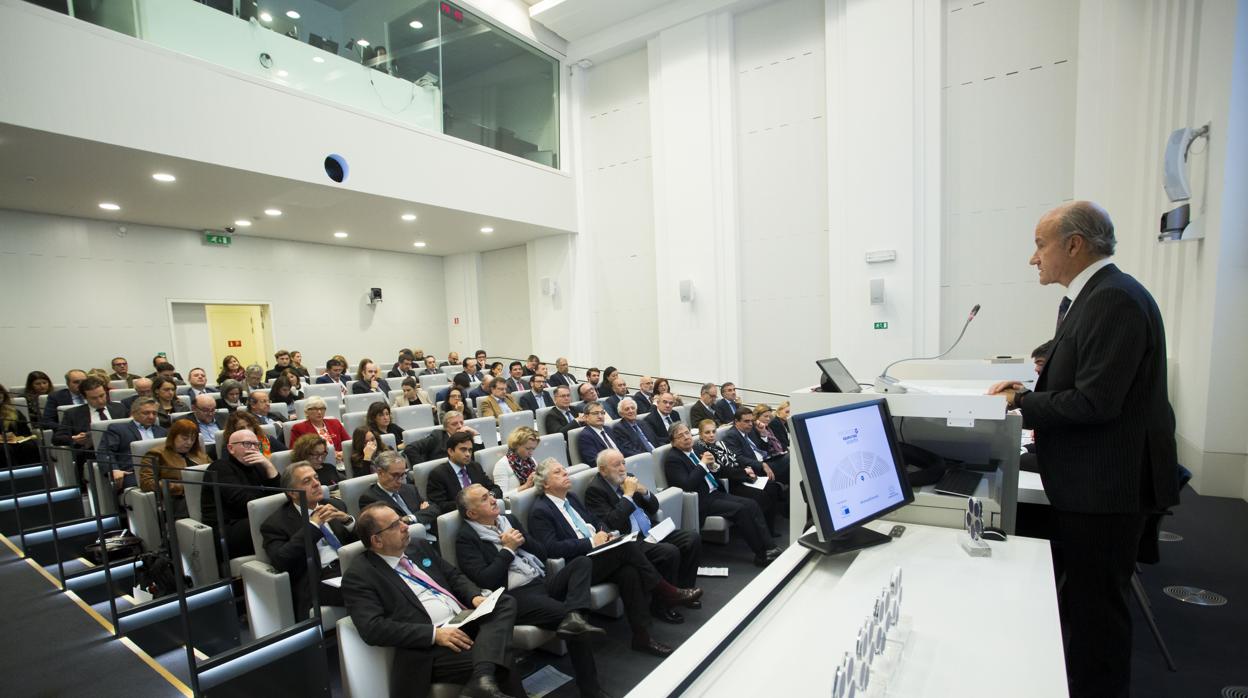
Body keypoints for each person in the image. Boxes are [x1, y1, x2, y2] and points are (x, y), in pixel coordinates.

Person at [987, 201, 1179, 698]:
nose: (1034, 258)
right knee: (1084, 608)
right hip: (1090, 483)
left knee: (1097, 620)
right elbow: (1085, 373)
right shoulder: (1092, 296)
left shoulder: (1112, 299)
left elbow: (1096, 401)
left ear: (1074, 245)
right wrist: (1032, 388)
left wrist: (1023, 403)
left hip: (1105, 488)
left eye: (1039, 244)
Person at [341, 503, 525, 698]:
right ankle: (483, 676)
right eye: (395, 525)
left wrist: (474, 596)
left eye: (402, 520)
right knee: (500, 659)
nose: (405, 526)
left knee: (504, 602)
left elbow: (453, 576)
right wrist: (434, 634)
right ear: (377, 540)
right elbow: (373, 628)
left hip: (464, 620)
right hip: (430, 647)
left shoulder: (417, 546)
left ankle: (482, 677)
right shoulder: (360, 575)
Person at [528, 459, 699, 656]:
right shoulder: (540, 511)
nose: (565, 473)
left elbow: (596, 521)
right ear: (546, 484)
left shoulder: (571, 499)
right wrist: (592, 542)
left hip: (600, 553)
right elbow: (551, 549)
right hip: (578, 567)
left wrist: (606, 533)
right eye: (558, 472)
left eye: (564, 470)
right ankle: (668, 591)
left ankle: (642, 636)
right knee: (627, 549)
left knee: (629, 572)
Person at [454, 484, 607, 698]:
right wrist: (508, 550)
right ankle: (591, 691)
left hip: (539, 580)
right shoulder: (466, 538)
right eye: (483, 499)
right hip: (514, 596)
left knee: (581, 563)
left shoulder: (509, 520)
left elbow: (542, 553)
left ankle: (575, 614)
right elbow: (486, 579)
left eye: (490, 494)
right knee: (573, 623)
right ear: (472, 513)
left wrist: (522, 540)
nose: (492, 499)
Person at [585, 449, 702, 606]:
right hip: (631, 539)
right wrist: (628, 495)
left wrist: (644, 491)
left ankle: (685, 590)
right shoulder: (595, 490)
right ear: (603, 470)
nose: (622, 469)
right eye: (616, 465)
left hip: (650, 529)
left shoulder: (629, 477)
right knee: (669, 552)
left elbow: (653, 508)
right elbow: (612, 523)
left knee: (692, 539)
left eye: (623, 463)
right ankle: (663, 605)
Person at [666, 422, 781, 567]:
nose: (686, 437)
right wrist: (702, 465)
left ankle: (770, 546)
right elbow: (687, 484)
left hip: (715, 492)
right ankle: (761, 554)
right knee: (741, 510)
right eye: (680, 436)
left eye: (687, 433)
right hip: (701, 500)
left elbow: (715, 472)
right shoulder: (673, 459)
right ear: (673, 441)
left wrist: (713, 466)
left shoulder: (693, 450)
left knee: (751, 504)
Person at [262, 461, 356, 618]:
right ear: (292, 492)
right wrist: (313, 526)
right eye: (307, 481)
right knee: (365, 588)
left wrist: (348, 521)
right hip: (318, 579)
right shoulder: (275, 523)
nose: (317, 484)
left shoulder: (335, 504)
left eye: (316, 478)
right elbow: (280, 560)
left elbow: (361, 541)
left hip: (349, 566)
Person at [696, 419, 785, 534]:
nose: (711, 435)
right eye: (707, 432)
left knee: (772, 487)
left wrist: (747, 470)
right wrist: (745, 474)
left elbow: (734, 460)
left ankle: (770, 529)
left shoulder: (719, 444)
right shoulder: (702, 450)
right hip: (730, 483)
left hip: (739, 475)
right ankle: (761, 532)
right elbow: (721, 471)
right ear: (700, 434)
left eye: (713, 431)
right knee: (762, 496)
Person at [201, 428, 280, 557]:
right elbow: (244, 503)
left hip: (252, 520)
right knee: (277, 522)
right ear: (231, 448)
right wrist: (268, 500)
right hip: (227, 529)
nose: (254, 448)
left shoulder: (258, 465)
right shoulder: (220, 467)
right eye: (247, 444)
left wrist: (270, 467)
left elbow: (281, 495)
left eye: (256, 444)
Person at [53, 376, 126, 476]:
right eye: (94, 398)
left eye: (102, 395)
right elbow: (57, 438)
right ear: (85, 397)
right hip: (91, 453)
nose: (100, 401)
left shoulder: (119, 408)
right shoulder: (73, 414)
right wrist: (74, 439)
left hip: (121, 450)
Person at [139, 419, 209, 520]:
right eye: (184, 438)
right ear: (173, 436)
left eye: (193, 439)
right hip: (176, 499)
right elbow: (146, 483)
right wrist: (179, 487)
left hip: (204, 494)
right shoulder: (156, 454)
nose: (189, 443)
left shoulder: (198, 454)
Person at [357, 450, 440, 531]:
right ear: (380, 472)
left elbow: (434, 509)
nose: (400, 480)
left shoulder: (410, 489)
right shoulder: (369, 498)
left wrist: (410, 518)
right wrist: (421, 515)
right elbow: (390, 527)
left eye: (403, 474)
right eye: (395, 475)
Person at [426, 431, 502, 513]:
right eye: (463, 450)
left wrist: (489, 496)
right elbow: (439, 506)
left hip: (485, 512)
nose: (468, 454)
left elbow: (496, 489)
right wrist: (471, 503)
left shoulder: (475, 467)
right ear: (450, 451)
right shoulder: (438, 474)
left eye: (470, 450)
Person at [101, 397, 168, 486]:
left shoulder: (163, 431)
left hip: (161, 472)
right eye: (146, 413)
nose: (151, 416)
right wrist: (114, 470)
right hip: (133, 473)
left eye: (154, 413)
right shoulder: (118, 429)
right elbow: (105, 451)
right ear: (134, 413)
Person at [721, 407, 789, 485]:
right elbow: (738, 458)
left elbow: (764, 448)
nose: (750, 424)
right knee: (790, 460)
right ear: (736, 421)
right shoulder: (731, 435)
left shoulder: (750, 430)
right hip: (755, 467)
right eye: (746, 421)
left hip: (767, 460)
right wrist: (761, 465)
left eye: (751, 421)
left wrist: (763, 434)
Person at [405, 410, 482, 466]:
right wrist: (423, 468)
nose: (459, 426)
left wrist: (476, 434)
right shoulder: (437, 436)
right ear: (446, 428)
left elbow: (478, 457)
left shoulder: (466, 437)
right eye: (454, 424)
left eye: (461, 423)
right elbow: (410, 448)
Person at [290, 396, 350, 463]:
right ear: (306, 412)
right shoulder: (298, 428)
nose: (319, 412)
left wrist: (343, 453)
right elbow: (296, 453)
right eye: (315, 409)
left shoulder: (335, 423)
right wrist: (329, 455)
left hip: (341, 461)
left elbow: (348, 444)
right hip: (317, 463)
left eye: (322, 408)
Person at [0, 384, 41, 467]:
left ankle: (35, 475)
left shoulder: (14, 412)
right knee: (4, 449)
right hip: (3, 446)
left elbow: (26, 433)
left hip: (15, 442)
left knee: (29, 446)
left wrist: (15, 437)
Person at [492, 427, 539, 493]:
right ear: (516, 445)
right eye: (528, 448)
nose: (531, 453)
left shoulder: (531, 460)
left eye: (533, 449)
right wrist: (526, 486)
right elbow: (502, 497)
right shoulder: (502, 465)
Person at [575, 403, 620, 468]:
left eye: (602, 413)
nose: (600, 416)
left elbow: (620, 449)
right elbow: (594, 461)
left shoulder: (608, 429)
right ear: (586, 417)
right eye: (596, 413)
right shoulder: (585, 436)